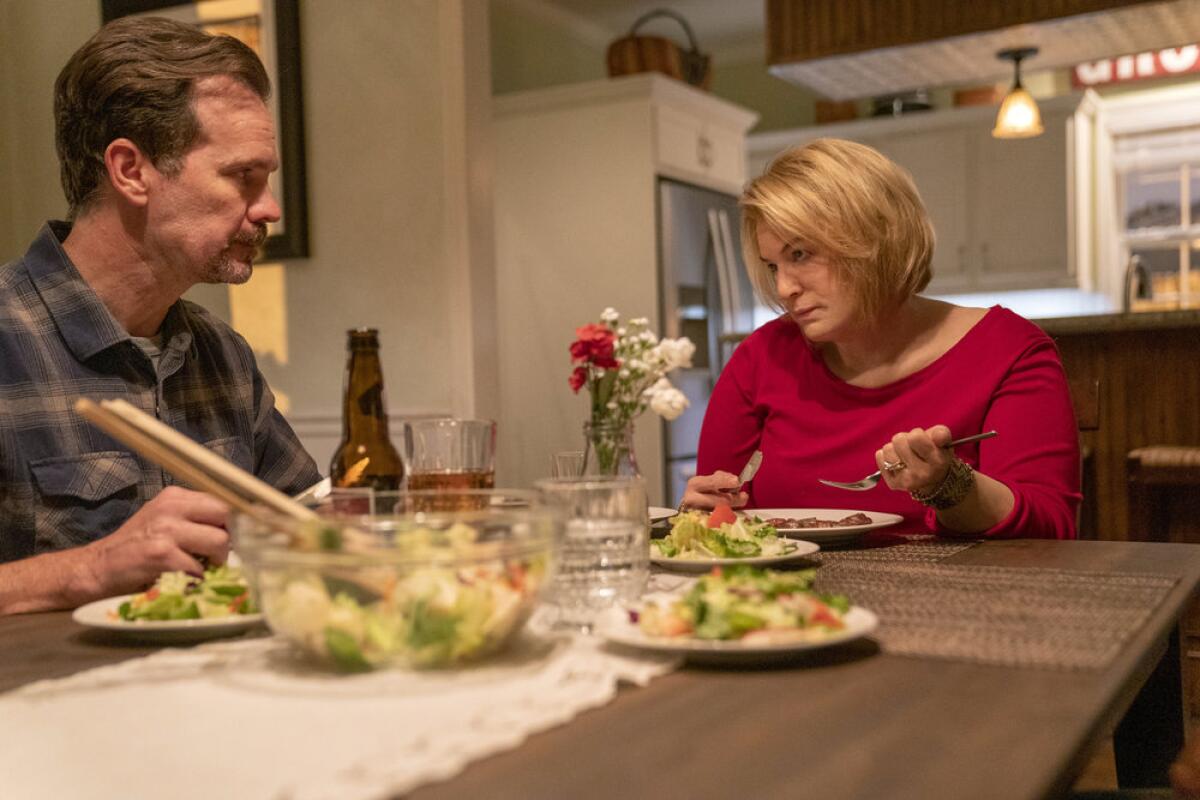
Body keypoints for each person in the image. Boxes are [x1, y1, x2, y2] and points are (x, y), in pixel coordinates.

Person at [0, 16, 319, 614]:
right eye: (242, 177)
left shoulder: (220, 352)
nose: (270, 208)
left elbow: (306, 528)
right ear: (130, 170)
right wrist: (91, 568)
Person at [681, 138, 1080, 539]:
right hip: (789, 600)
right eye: (773, 266)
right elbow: (720, 524)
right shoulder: (761, 359)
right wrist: (703, 515)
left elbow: (1051, 530)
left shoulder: (1008, 351)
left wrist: (951, 488)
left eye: (800, 254)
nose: (783, 288)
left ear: (873, 241)